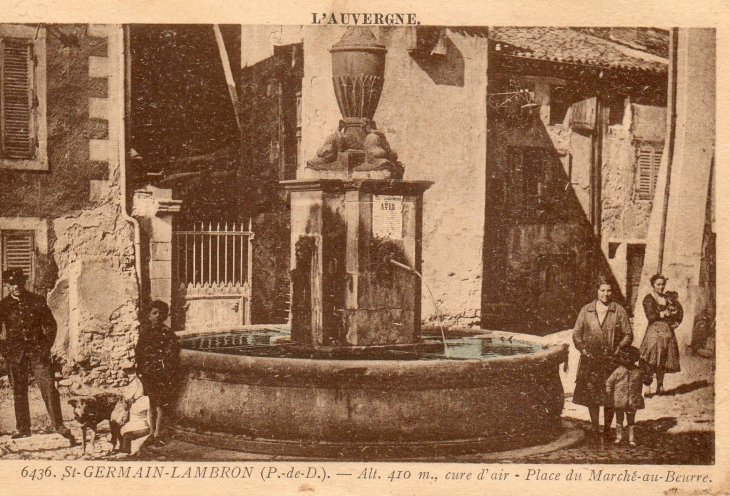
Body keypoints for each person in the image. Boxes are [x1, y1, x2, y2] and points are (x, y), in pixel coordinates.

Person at [0, 268, 75, 442]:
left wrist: (44, 347)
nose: (16, 286)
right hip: (15, 354)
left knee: (49, 388)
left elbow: (51, 325)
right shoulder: (3, 305)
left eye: (19, 282)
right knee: (19, 391)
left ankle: (58, 425)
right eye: (12, 283)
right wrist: (5, 350)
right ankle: (23, 428)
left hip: (37, 353)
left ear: (24, 282)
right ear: (6, 285)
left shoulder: (37, 300)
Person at [572, 275, 633, 439]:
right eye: (602, 290)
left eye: (609, 290)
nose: (606, 294)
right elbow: (577, 334)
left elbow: (628, 334)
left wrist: (619, 348)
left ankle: (607, 428)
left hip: (611, 359)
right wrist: (583, 350)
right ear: (596, 291)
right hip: (591, 358)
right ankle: (594, 427)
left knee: (609, 395)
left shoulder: (618, 310)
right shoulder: (587, 310)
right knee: (593, 395)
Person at [135, 300, 180, 445]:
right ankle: (151, 432)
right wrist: (141, 372)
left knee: (161, 405)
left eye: (161, 313)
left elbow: (173, 353)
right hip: (150, 375)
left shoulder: (168, 333)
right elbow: (139, 354)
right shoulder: (145, 333)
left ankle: (158, 433)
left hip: (163, 375)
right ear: (148, 315)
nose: (157, 316)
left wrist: (168, 369)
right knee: (152, 405)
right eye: (154, 313)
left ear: (166, 316)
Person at [639, 274, 683, 395]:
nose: (661, 287)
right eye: (658, 284)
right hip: (654, 333)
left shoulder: (668, 297)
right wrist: (661, 315)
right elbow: (650, 316)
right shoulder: (649, 299)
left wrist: (677, 322)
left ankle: (660, 385)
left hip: (667, 333)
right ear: (653, 285)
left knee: (663, 359)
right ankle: (647, 387)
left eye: (663, 284)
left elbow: (679, 311)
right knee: (650, 360)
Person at [606, 346, 653, 447]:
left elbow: (647, 381)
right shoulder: (618, 371)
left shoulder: (638, 371)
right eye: (625, 358)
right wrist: (609, 392)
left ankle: (632, 438)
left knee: (631, 419)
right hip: (619, 399)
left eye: (630, 358)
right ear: (621, 358)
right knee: (619, 418)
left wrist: (646, 371)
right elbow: (609, 382)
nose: (628, 361)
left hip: (633, 399)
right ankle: (619, 437)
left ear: (635, 359)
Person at [110, 363, 150, 455]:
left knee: (122, 427)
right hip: (134, 419)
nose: (127, 374)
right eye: (126, 371)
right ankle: (119, 446)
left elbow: (128, 396)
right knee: (115, 420)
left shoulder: (136, 384)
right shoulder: (132, 383)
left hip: (141, 425)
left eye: (129, 371)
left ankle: (123, 448)